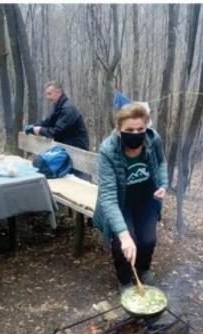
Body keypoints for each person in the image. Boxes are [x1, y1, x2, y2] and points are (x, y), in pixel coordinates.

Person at [92, 103, 167, 290]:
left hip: (146, 200)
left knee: (148, 240)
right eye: (129, 130)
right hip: (121, 202)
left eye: (140, 129)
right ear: (119, 130)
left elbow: (161, 162)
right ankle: (124, 280)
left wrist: (164, 184)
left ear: (146, 127)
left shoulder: (153, 139)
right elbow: (108, 197)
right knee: (122, 242)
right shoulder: (107, 151)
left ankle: (143, 270)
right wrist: (125, 237)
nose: (135, 133)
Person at [24, 82, 90, 151]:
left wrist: (40, 130)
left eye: (49, 94)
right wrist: (33, 127)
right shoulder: (59, 107)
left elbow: (57, 133)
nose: (47, 97)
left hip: (77, 149)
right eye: (46, 94)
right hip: (66, 146)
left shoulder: (68, 109)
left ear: (58, 93)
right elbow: (48, 122)